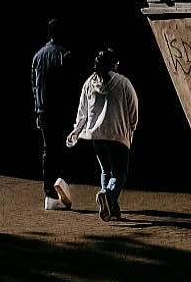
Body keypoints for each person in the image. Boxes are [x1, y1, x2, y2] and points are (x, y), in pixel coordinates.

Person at [67, 47, 139, 221]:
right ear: (114, 64)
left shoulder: (89, 83)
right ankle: (109, 195)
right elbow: (133, 108)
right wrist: (132, 127)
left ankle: (111, 209)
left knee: (105, 170)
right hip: (117, 135)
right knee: (120, 173)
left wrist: (76, 131)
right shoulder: (123, 83)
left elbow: (82, 112)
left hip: (95, 136)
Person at [31, 18, 77, 211]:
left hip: (43, 110)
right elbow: (70, 86)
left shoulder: (38, 56)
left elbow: (34, 86)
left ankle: (49, 193)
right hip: (61, 110)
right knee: (64, 149)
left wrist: (37, 110)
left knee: (48, 150)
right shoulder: (65, 54)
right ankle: (61, 186)